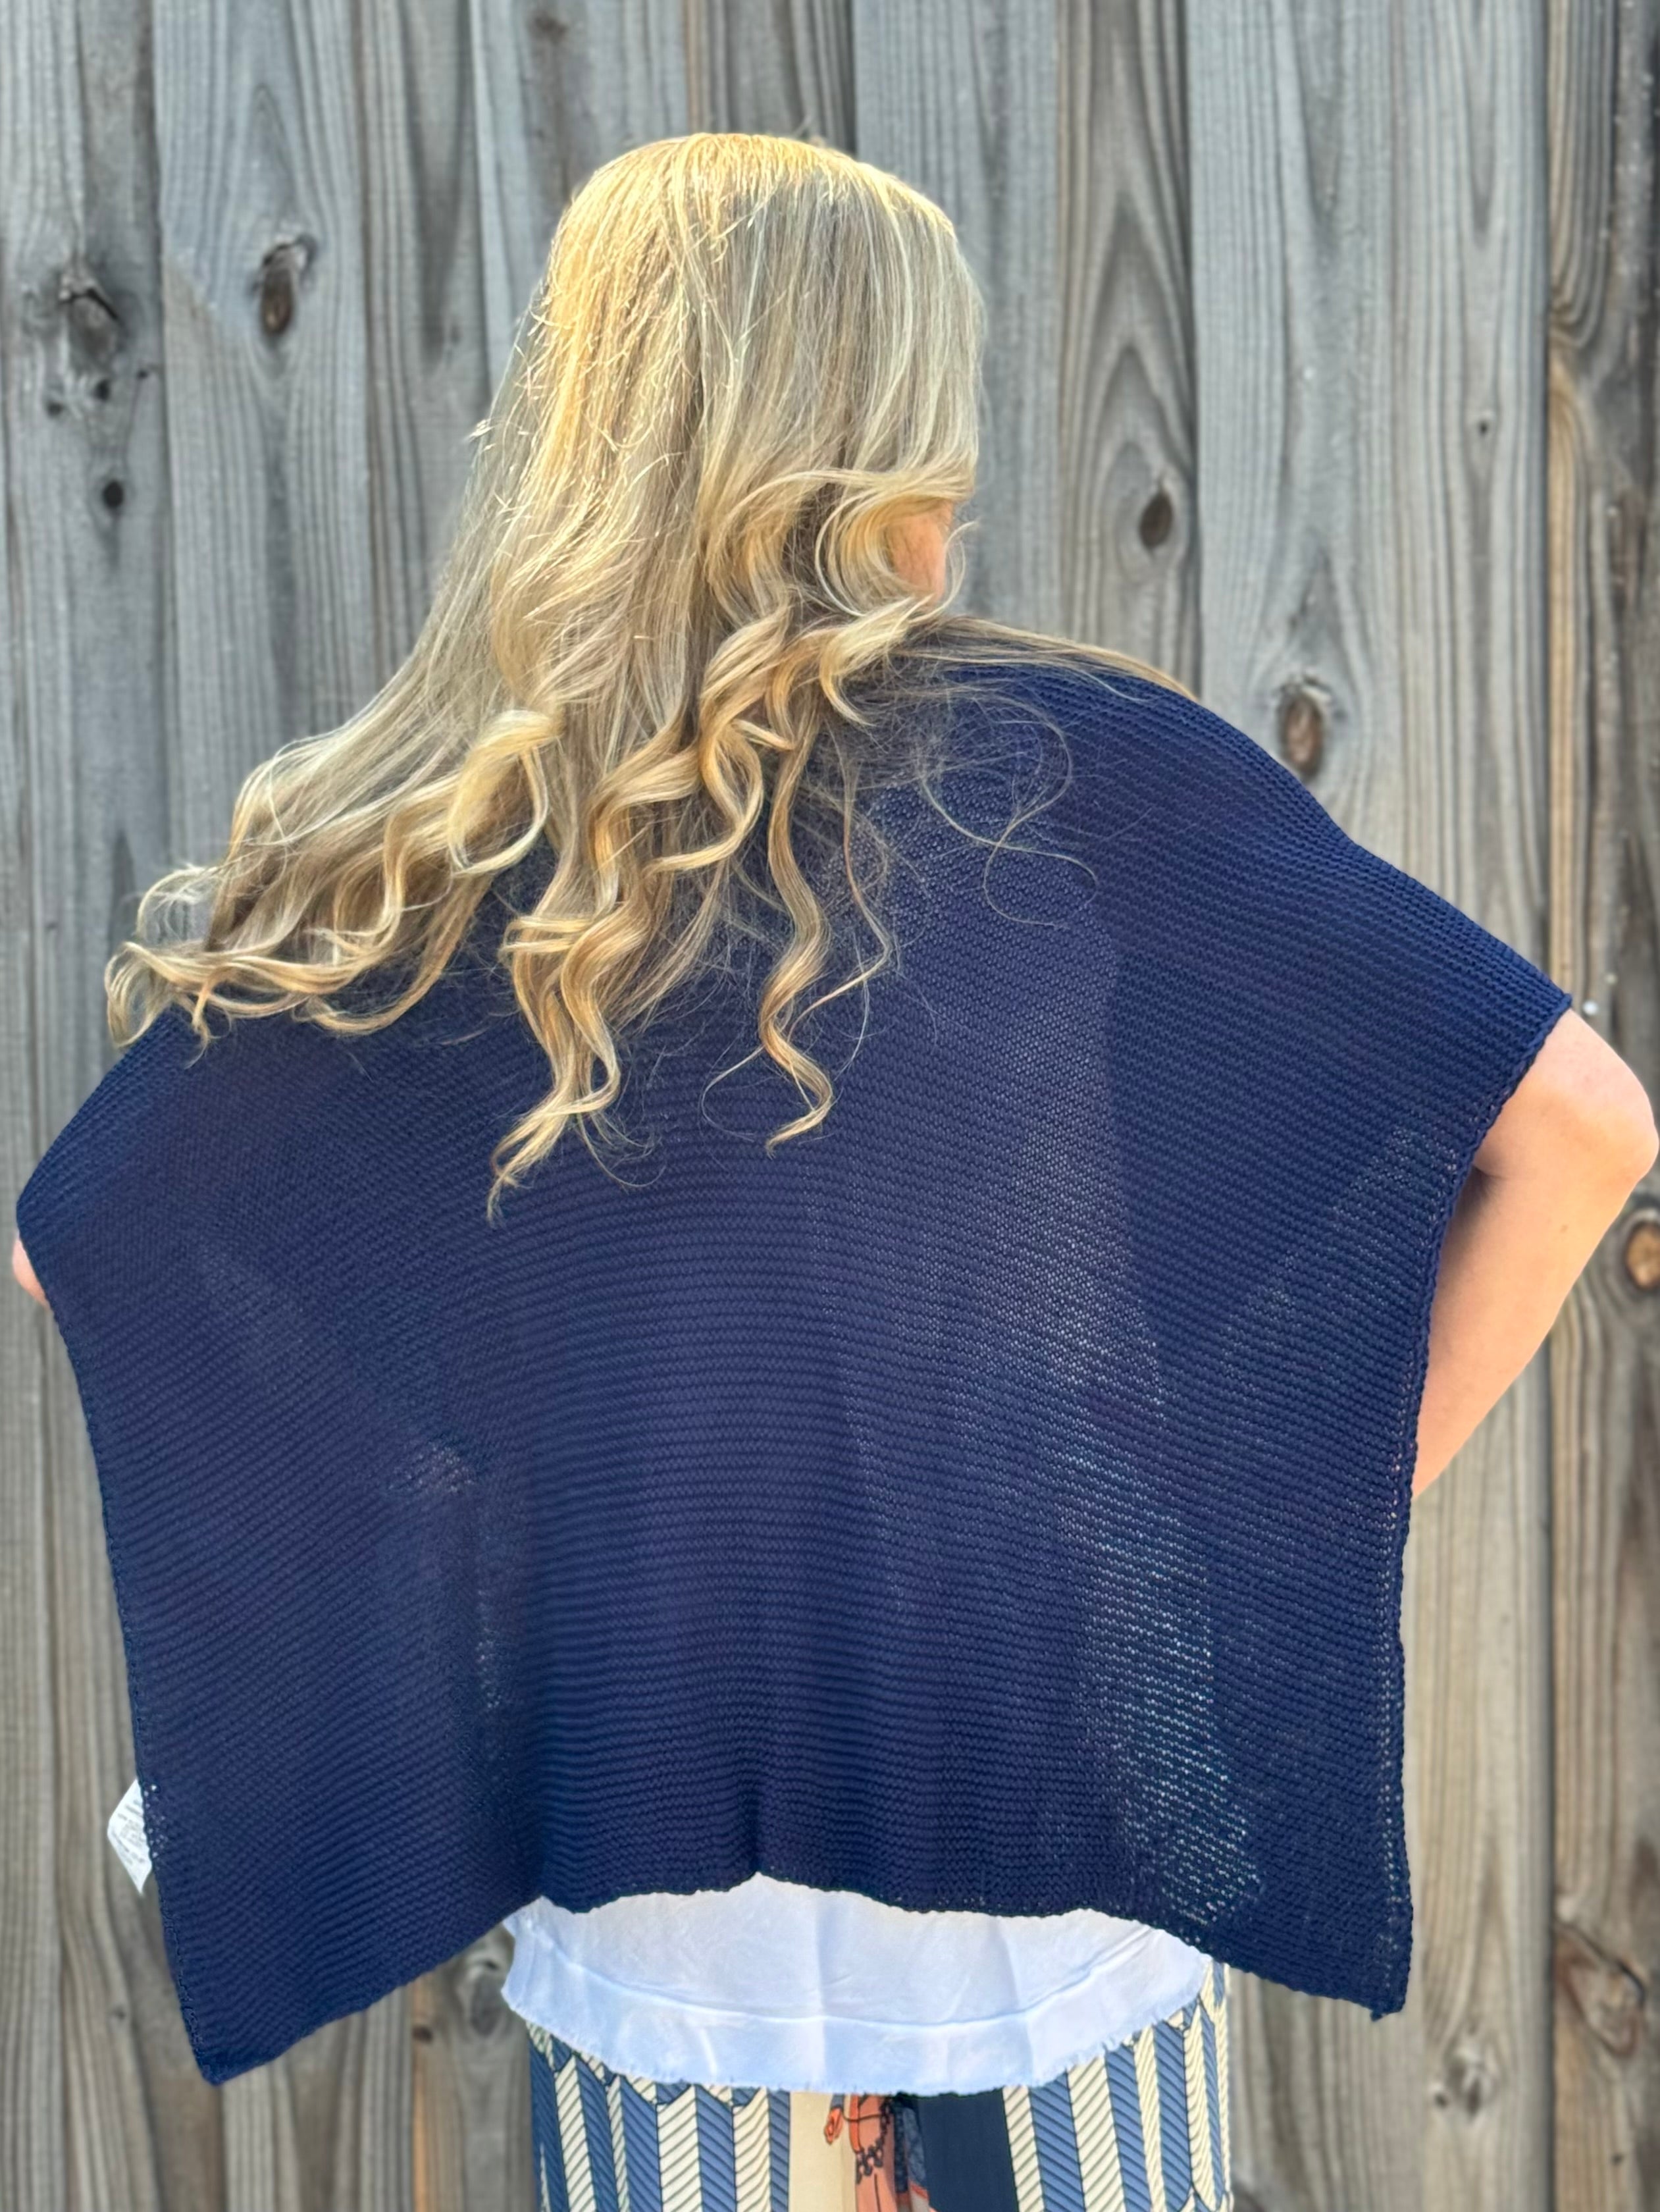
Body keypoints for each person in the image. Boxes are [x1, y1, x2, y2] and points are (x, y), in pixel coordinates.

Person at [13, 131, 1655, 2212]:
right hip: (1044, 1882)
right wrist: (1253, 1526)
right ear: (896, 425)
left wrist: (525, 1501)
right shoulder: (1070, 761)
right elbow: (1583, 1128)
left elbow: (88, 1242)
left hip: (661, 1925)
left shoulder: (470, 835)